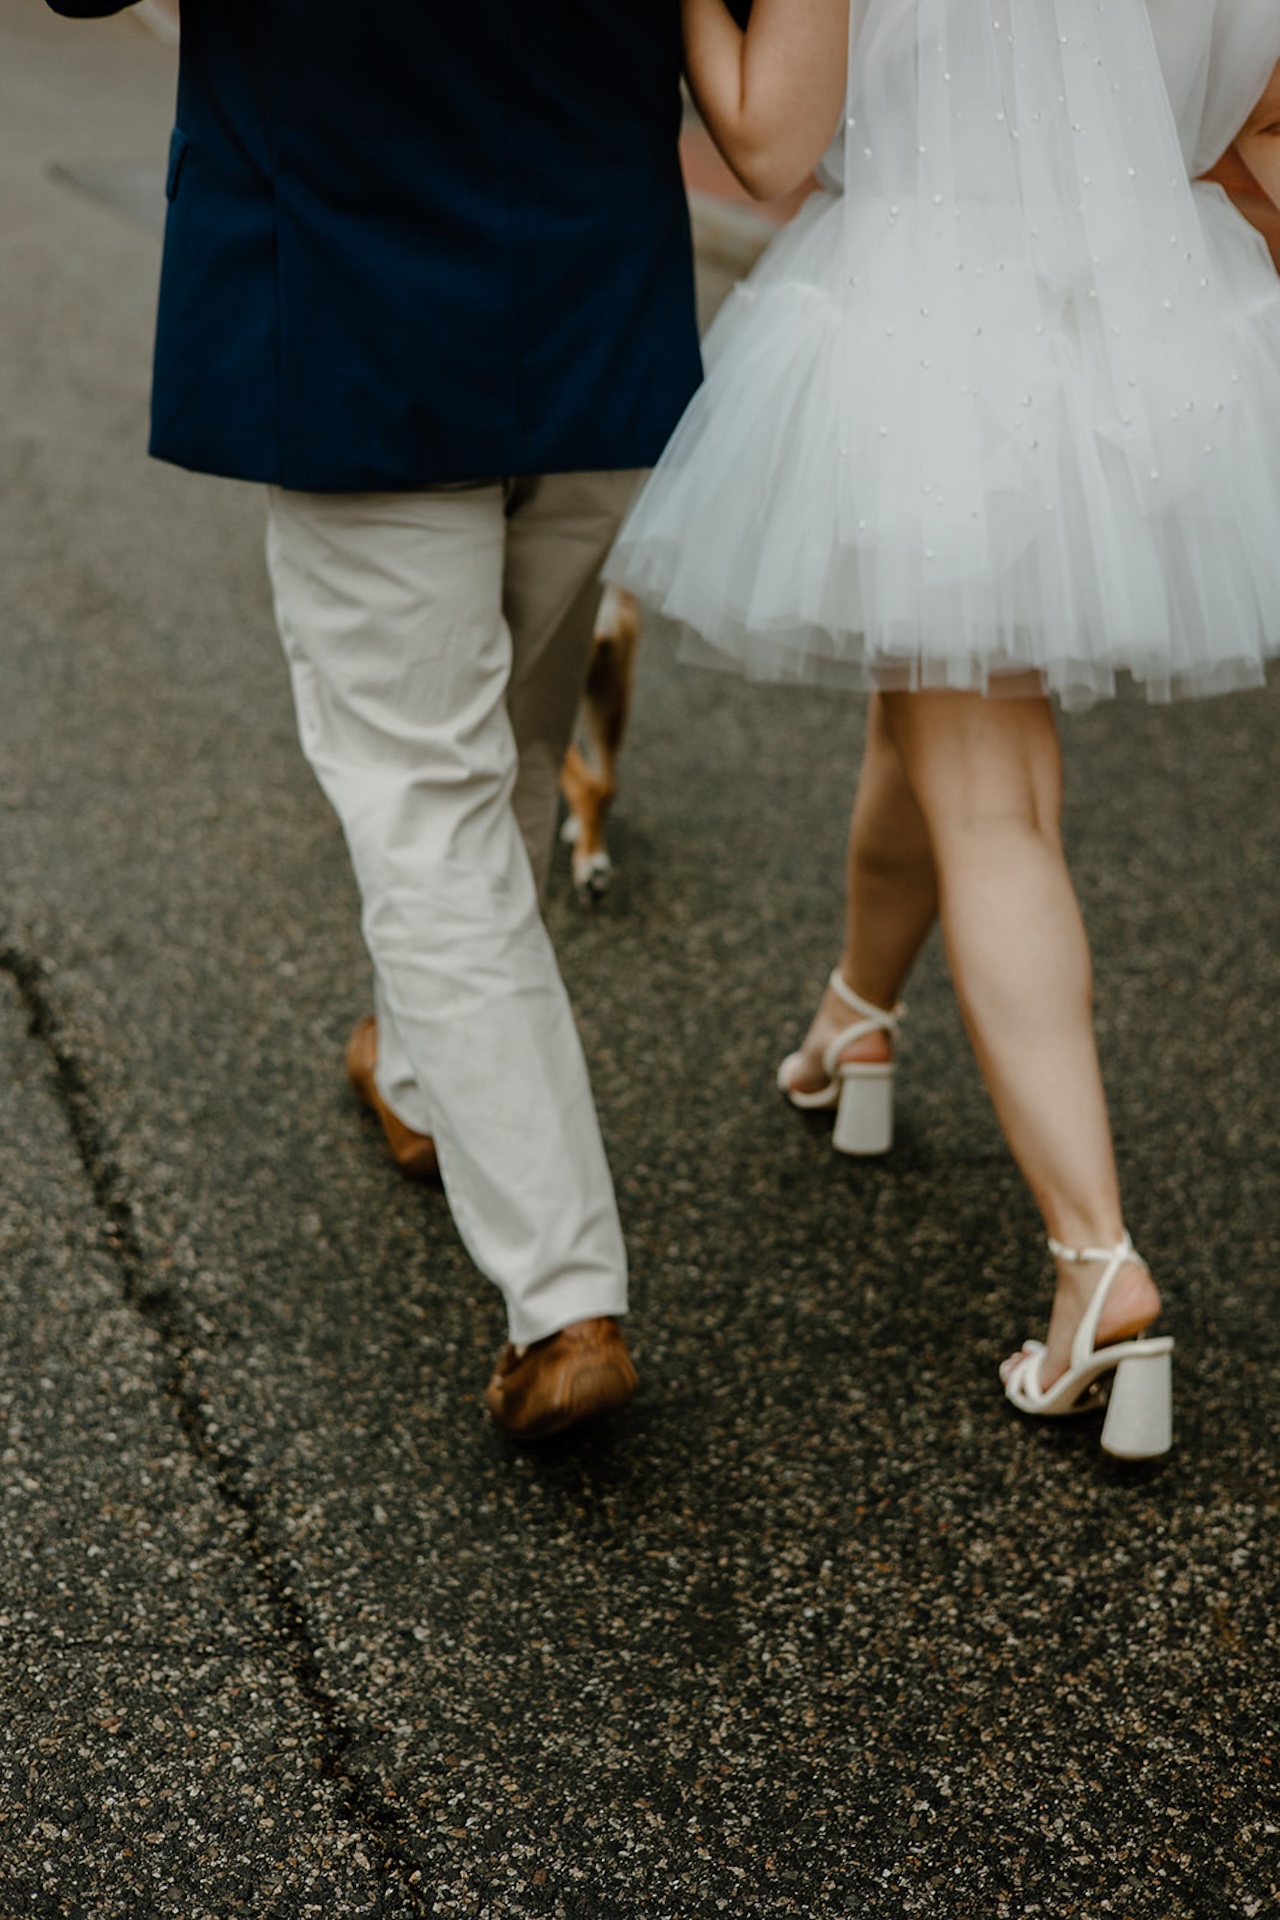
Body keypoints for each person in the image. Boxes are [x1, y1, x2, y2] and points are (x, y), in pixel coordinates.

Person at [611, 0, 1280, 1458]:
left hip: (926, 328)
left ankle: (1096, 1264)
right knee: (922, 718)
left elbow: (769, 140)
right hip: (1142, 321)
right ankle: (853, 1022)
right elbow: (1258, 120)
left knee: (993, 800)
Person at [46, 0, 720, 1439]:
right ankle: (419, 1075)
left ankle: (564, 1297)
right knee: (511, 748)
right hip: (597, 299)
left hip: (356, 298)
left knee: (424, 793)